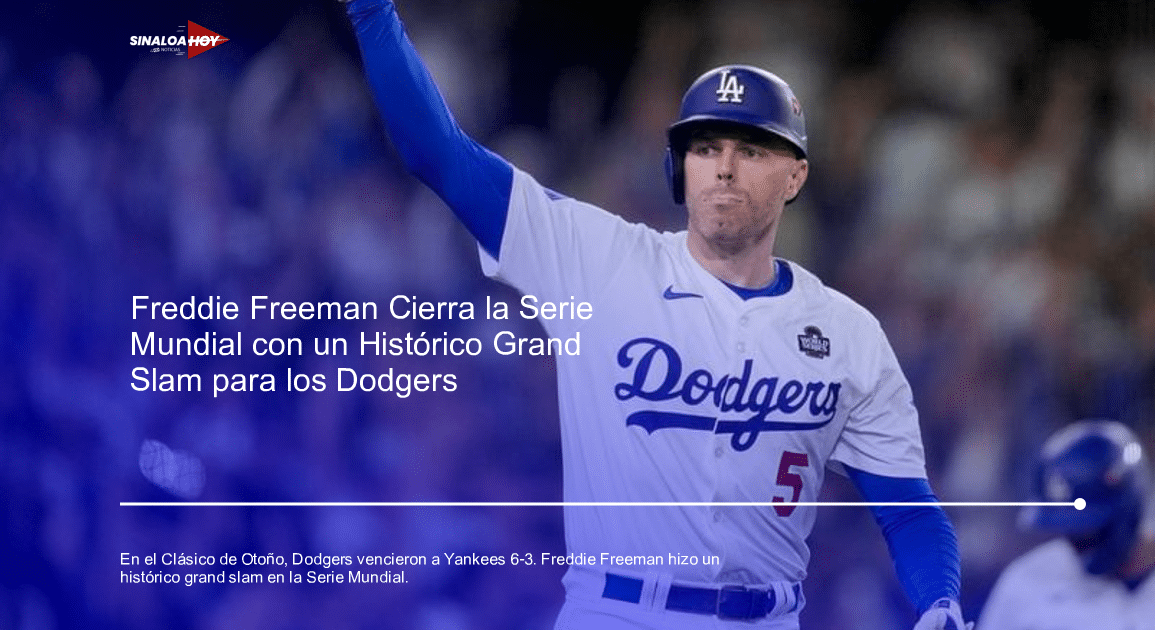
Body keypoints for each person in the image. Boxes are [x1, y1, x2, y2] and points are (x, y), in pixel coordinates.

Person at [340, 0, 967, 627]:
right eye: (705, 146)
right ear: (678, 168)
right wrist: (373, 14)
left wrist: (939, 599)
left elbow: (907, 508)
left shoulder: (848, 333)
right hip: (615, 612)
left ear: (795, 176)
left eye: (752, 150)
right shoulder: (600, 258)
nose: (724, 167)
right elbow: (437, 153)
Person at [977, 419, 1155, 629]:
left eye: (1086, 526)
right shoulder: (1025, 582)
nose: (1076, 539)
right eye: (1067, 526)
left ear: (1127, 509)